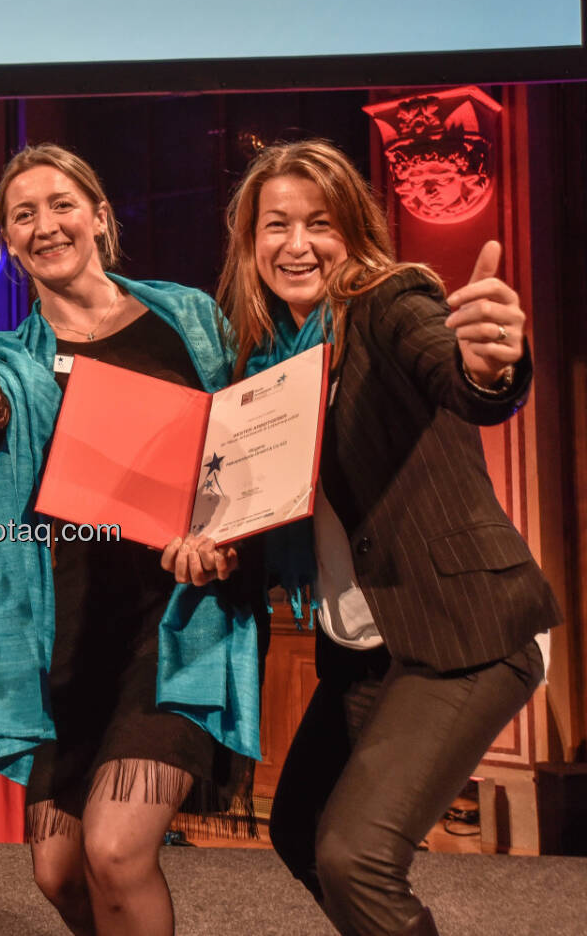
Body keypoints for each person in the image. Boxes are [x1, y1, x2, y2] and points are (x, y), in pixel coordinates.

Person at [215, 139, 561, 936]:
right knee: (301, 829)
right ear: (250, 241)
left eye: (319, 223)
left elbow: (461, 376)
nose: (296, 244)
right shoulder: (265, 363)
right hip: (362, 648)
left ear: (354, 231)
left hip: (465, 626)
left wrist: (489, 363)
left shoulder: (391, 299)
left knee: (354, 855)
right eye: (276, 225)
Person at [0, 143, 265, 936]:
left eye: (63, 203)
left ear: (101, 216)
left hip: (175, 621)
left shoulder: (191, 319)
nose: (46, 224)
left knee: (114, 850)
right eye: (24, 214)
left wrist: (226, 536)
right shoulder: (11, 354)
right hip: (64, 638)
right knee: (57, 868)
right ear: (7, 242)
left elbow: (244, 445)